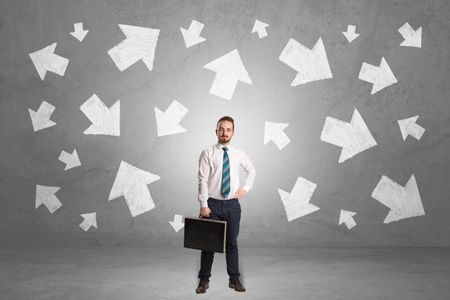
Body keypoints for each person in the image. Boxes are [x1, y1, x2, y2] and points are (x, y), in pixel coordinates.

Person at [195, 116, 256, 294]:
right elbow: (202, 180)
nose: (225, 132)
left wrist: (246, 188)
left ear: (233, 133)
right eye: (221, 129)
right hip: (212, 205)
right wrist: (203, 204)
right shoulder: (208, 153)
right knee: (208, 245)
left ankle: (234, 279)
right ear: (216, 131)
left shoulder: (239, 153)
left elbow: (252, 170)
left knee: (232, 243)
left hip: (232, 206)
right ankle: (203, 280)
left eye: (228, 129)